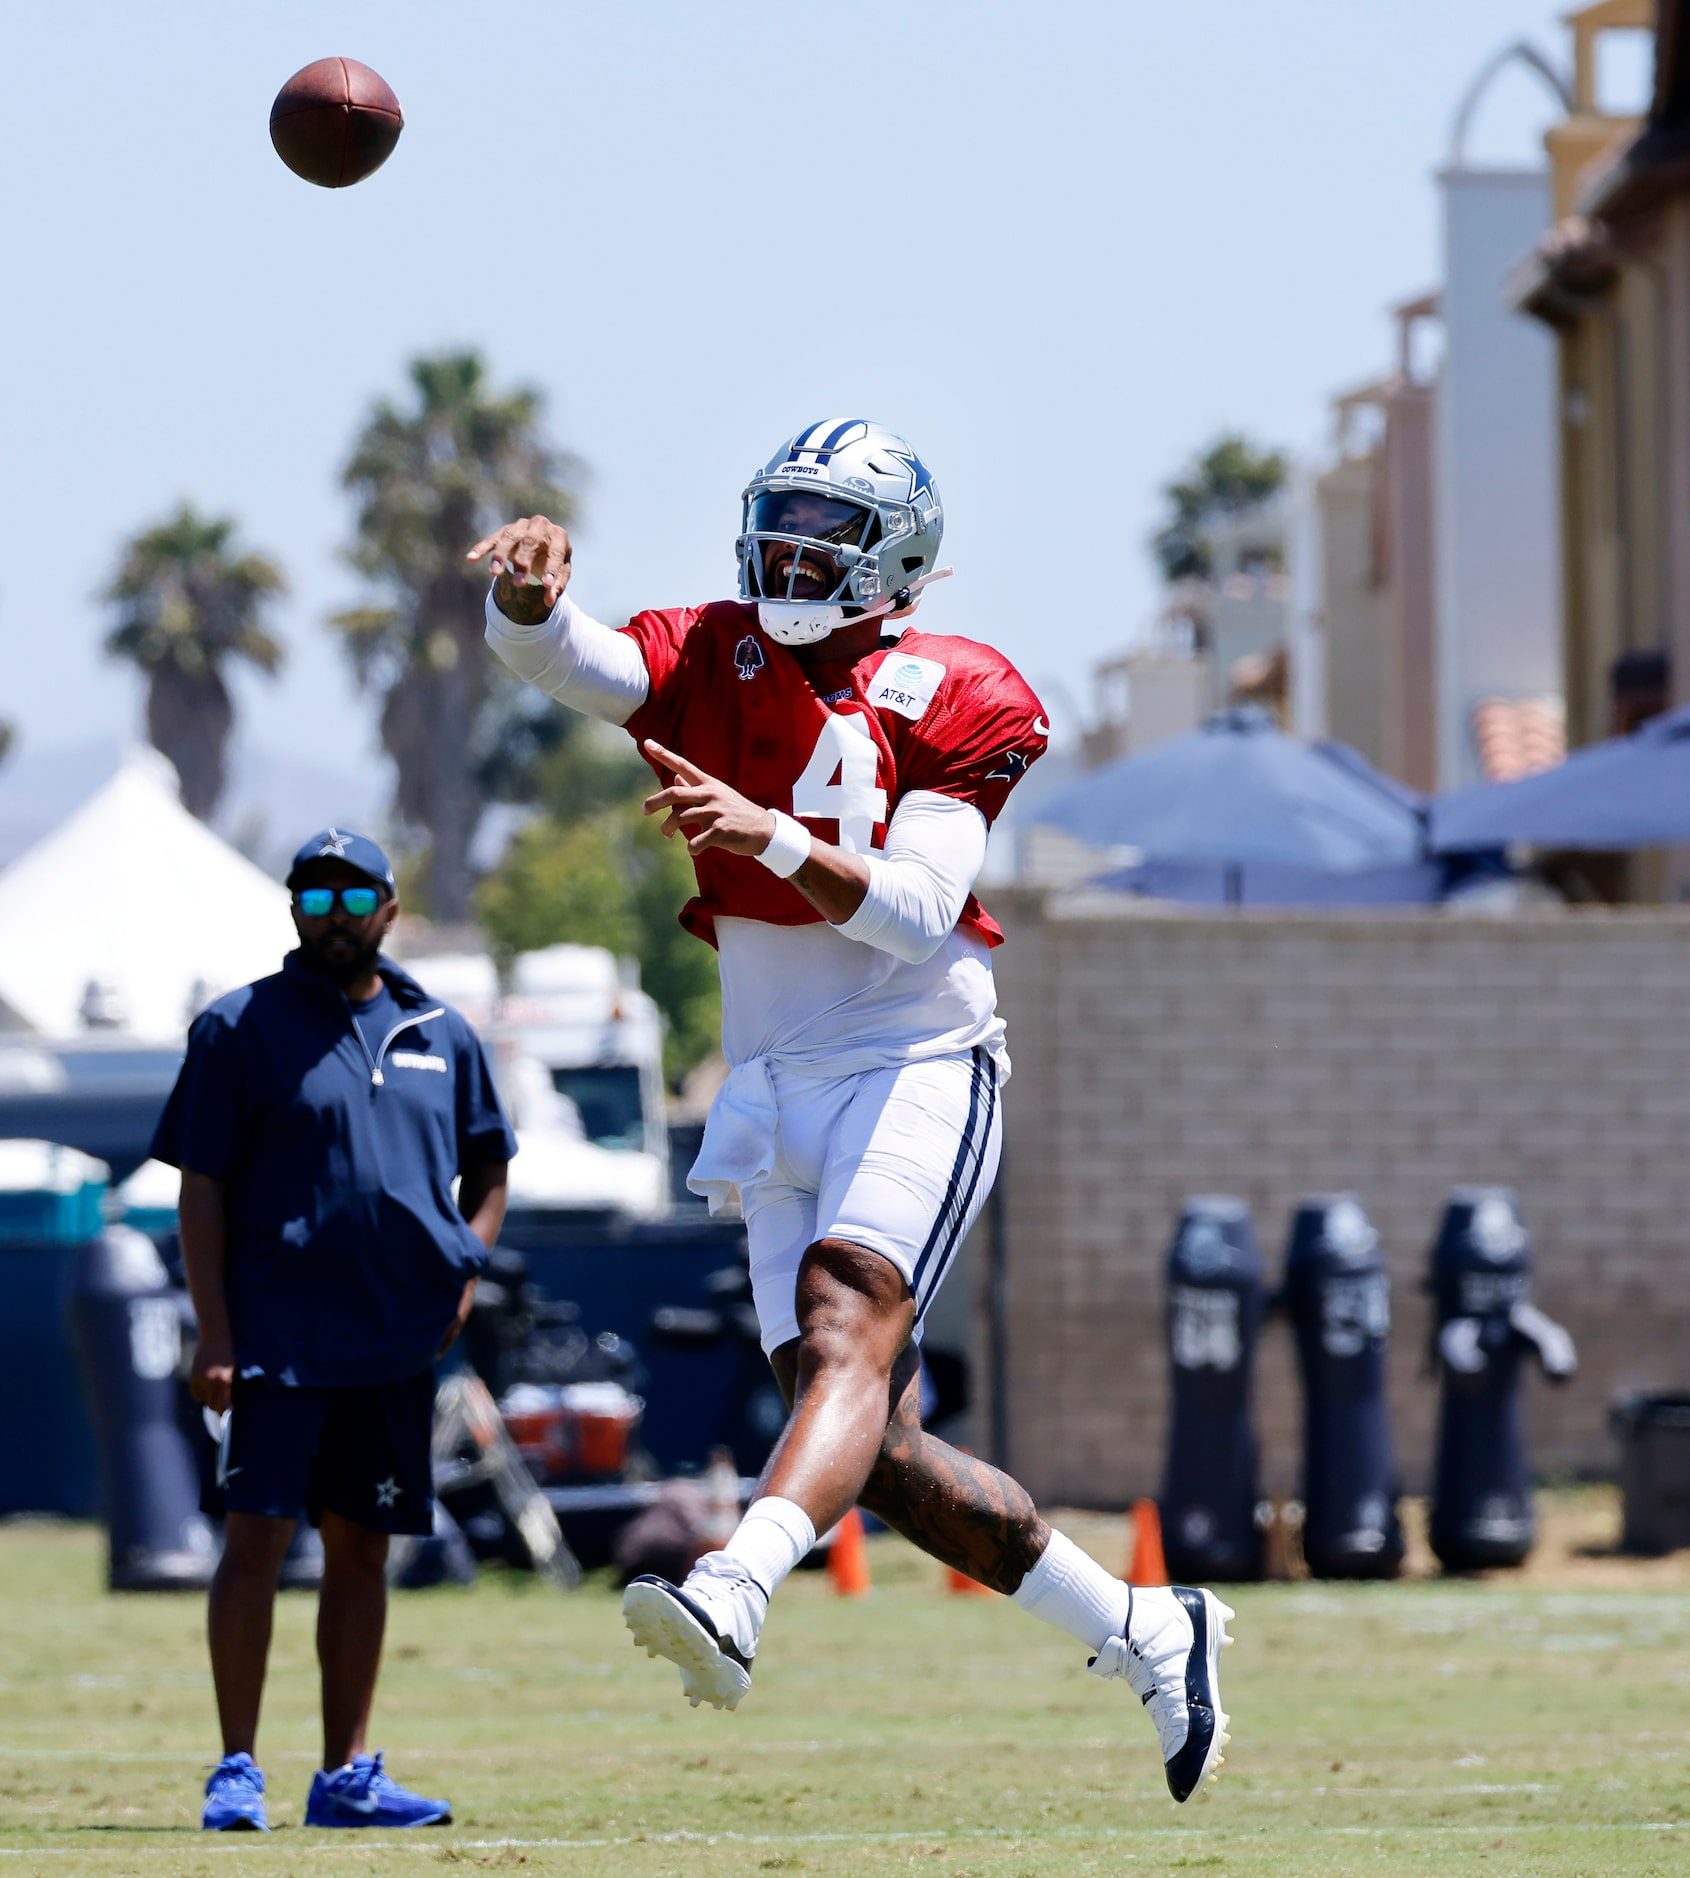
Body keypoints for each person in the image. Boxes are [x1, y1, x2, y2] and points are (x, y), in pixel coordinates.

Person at [470, 419, 1235, 1805]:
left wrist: (762, 833)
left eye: (823, 529)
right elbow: (572, 658)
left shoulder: (956, 687)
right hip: (772, 1086)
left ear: (894, 556)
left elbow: (915, 911)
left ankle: (736, 1585)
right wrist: (525, 602)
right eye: (781, 520)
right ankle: (1143, 1626)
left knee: (843, 1323)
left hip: (913, 1061)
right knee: (870, 1447)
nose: (788, 550)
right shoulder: (713, 650)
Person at [151, 828, 514, 1832]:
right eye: (314, 901)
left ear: (390, 910)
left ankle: (345, 1776)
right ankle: (235, 1769)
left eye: (354, 901)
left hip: (395, 1338)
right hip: (276, 1332)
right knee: (257, 1538)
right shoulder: (239, 1028)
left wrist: (465, 1266)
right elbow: (203, 1190)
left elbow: (489, 1167)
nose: (335, 918)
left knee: (362, 1549)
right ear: (294, 912)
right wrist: (215, 1331)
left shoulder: (441, 1029)